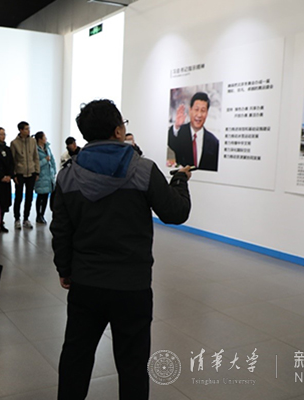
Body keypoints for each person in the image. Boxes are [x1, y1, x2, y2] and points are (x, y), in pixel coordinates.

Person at [51, 99, 192, 400]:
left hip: (86, 282)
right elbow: (176, 212)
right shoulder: (143, 170)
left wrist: (65, 269)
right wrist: (180, 180)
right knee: (133, 364)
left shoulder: (67, 175)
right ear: (117, 131)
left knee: (76, 356)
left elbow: (61, 230)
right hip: (132, 286)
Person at [167, 91, 219, 171]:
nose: (199, 115)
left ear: (207, 113)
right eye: (196, 109)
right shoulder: (180, 132)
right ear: (190, 110)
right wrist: (176, 126)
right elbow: (171, 142)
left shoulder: (214, 142)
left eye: (203, 111)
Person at [10, 121, 40, 229]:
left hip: (31, 172)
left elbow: (36, 157)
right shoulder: (14, 143)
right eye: (26, 129)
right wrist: (14, 175)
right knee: (18, 197)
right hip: (20, 173)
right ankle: (17, 219)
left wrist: (37, 171)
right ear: (21, 130)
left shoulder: (33, 141)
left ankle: (26, 218)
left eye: (29, 128)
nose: (28, 131)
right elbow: (12, 160)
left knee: (29, 197)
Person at [0, 127, 14, 233]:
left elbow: (11, 163)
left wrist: (10, 175)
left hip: (7, 179)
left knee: (5, 202)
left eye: (4, 134)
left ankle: (1, 222)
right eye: (1, 134)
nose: (3, 136)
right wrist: (1, 176)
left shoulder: (7, 149)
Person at [34, 131, 56, 224]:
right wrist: (44, 160)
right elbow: (35, 164)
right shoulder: (35, 149)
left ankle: (42, 215)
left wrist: (54, 171)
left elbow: (52, 160)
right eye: (44, 137)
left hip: (49, 176)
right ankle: (38, 215)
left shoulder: (47, 148)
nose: (46, 139)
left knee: (46, 196)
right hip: (41, 176)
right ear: (39, 139)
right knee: (40, 196)